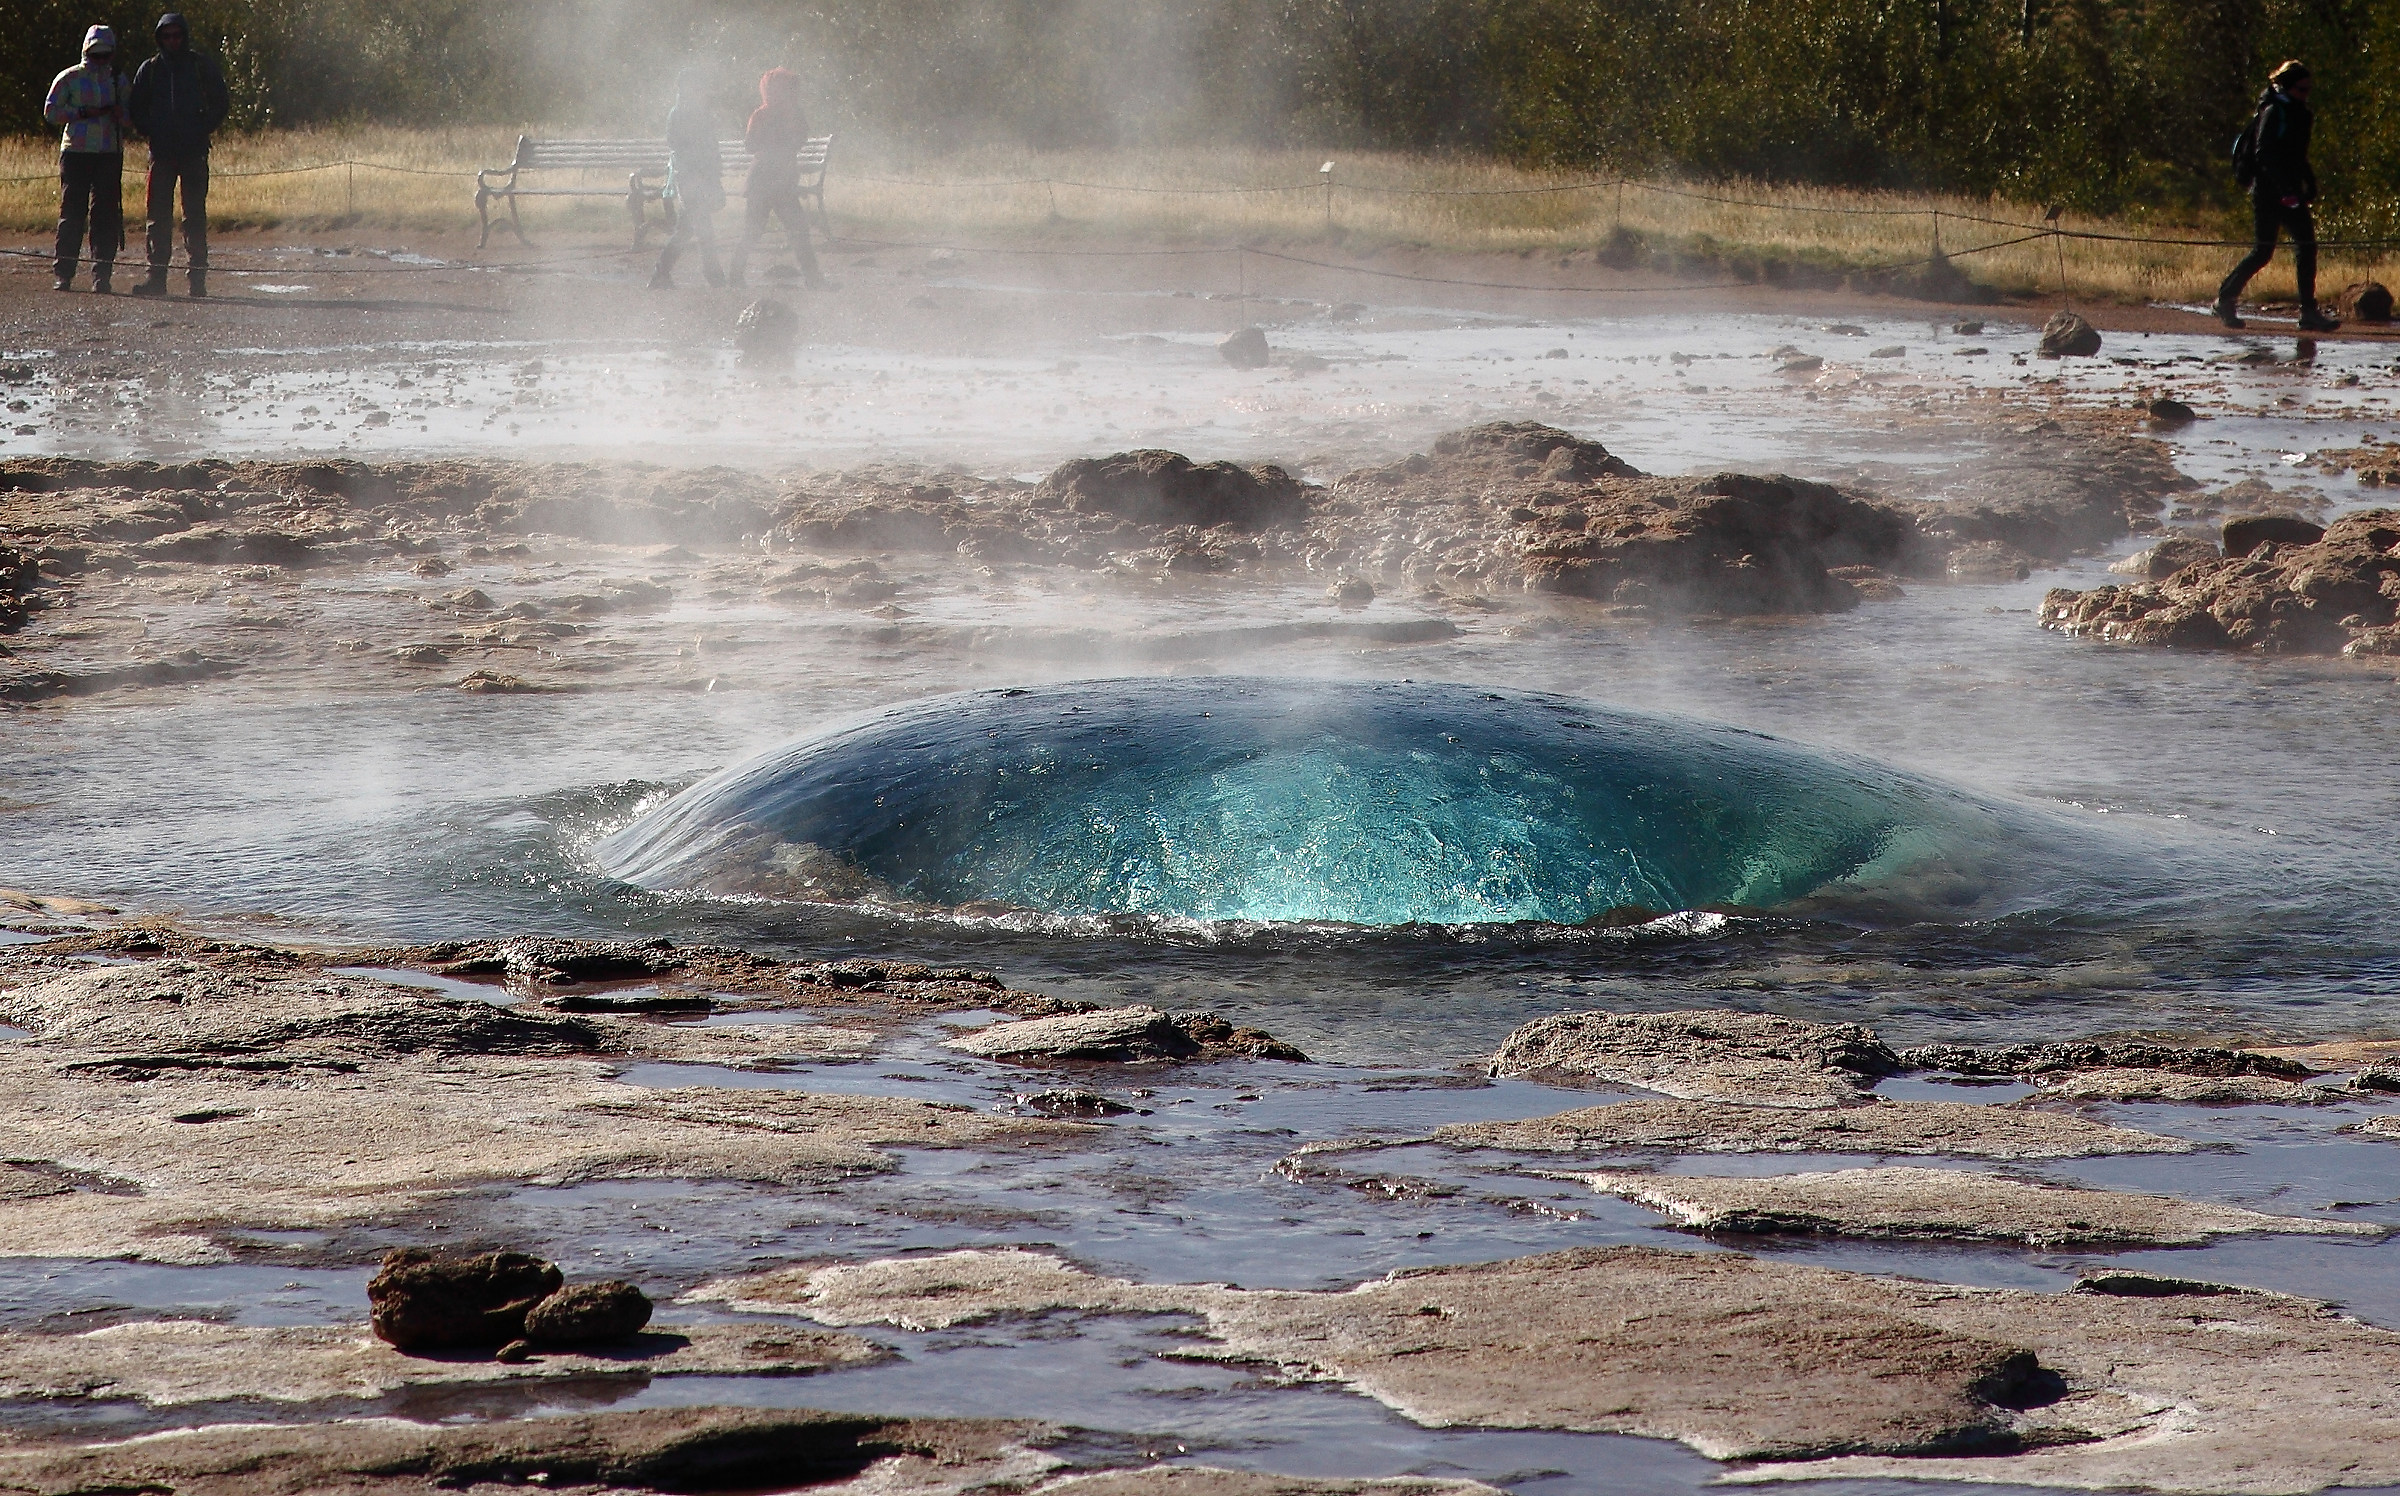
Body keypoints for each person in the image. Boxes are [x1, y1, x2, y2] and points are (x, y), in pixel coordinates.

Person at [2216, 60, 2337, 332]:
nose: (2306, 94)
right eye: (2302, 89)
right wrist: (2284, 191)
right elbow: (2263, 154)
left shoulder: (2301, 113)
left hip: (2290, 190)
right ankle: (2225, 299)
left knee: (2306, 246)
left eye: (2308, 89)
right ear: (2287, 87)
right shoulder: (2273, 111)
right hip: (2268, 192)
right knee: (2263, 251)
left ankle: (2309, 312)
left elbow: (2297, 154)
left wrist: (2309, 182)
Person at [126, 11, 228, 299]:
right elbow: (136, 108)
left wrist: (203, 126)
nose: (172, 40)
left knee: (194, 216)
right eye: (167, 35)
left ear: (185, 35)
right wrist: (151, 130)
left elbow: (221, 101)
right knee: (157, 218)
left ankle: (197, 280)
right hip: (161, 152)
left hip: (194, 151)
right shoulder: (150, 69)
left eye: (177, 35)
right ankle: (156, 278)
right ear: (159, 37)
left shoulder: (200, 65)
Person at [43, 25, 130, 294]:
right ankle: (64, 273)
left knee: (105, 216)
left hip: (108, 152)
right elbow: (50, 112)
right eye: (95, 55)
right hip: (76, 152)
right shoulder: (69, 78)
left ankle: (101, 275)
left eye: (105, 55)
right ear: (86, 51)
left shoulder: (119, 80)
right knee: (72, 213)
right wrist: (81, 112)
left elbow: (132, 117)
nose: (100, 61)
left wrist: (120, 115)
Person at [726, 67, 825, 291]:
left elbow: (795, 141)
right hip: (768, 181)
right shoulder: (769, 114)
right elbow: (752, 145)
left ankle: (812, 277)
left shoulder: (773, 114)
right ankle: (735, 276)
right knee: (764, 230)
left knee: (791, 229)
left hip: (774, 180)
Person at [648, 70, 725, 290]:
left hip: (700, 177)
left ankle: (661, 273)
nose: (697, 90)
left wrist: (713, 172)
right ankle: (713, 275)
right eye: (692, 86)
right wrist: (701, 171)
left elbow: (710, 145)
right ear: (683, 88)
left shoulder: (700, 112)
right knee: (701, 229)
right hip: (690, 178)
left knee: (687, 229)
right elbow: (678, 146)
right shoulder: (680, 113)